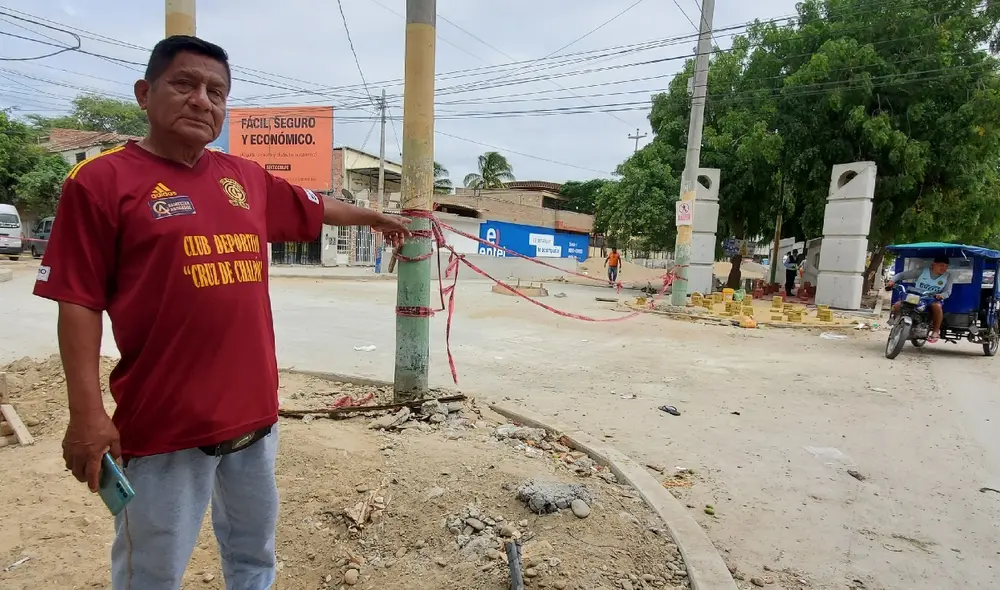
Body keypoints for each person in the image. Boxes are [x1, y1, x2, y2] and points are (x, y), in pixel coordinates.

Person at [32, 36, 410, 590]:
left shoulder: (243, 177)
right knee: (152, 572)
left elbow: (312, 206)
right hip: (165, 424)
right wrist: (87, 415)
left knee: (254, 557)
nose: (201, 100)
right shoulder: (100, 183)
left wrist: (372, 218)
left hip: (254, 416)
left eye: (216, 91)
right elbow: (79, 304)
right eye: (183, 84)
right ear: (145, 93)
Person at [887, 256, 953, 342]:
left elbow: (947, 291)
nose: (944, 268)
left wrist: (941, 295)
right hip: (916, 296)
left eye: (946, 266)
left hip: (932, 299)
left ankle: (936, 331)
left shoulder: (948, 276)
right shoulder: (922, 271)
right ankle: (897, 322)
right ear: (934, 264)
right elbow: (902, 275)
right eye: (941, 265)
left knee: (937, 306)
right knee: (897, 305)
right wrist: (892, 280)